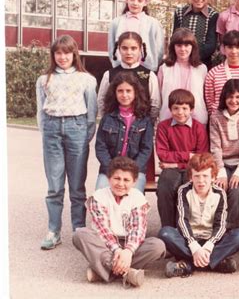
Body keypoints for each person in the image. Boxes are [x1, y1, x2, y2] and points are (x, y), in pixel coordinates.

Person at [36, 35, 97, 250]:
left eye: (67, 53)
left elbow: (91, 112)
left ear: (74, 54)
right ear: (53, 55)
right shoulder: (45, 79)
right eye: (58, 53)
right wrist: (46, 133)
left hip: (77, 128)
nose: (63, 57)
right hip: (52, 129)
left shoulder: (86, 79)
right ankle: (54, 231)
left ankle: (79, 229)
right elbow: (40, 110)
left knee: (77, 186)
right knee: (54, 186)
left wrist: (85, 135)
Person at [73, 157, 166, 286]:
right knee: (80, 234)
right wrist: (117, 251)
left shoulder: (137, 197)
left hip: (130, 244)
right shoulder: (98, 197)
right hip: (105, 245)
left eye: (126, 180)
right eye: (117, 178)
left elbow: (138, 230)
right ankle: (125, 272)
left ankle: (104, 271)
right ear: (109, 178)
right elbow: (103, 230)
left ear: (134, 182)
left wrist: (128, 252)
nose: (121, 184)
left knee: (157, 245)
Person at [158, 153, 239, 277]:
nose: (201, 181)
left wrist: (208, 247)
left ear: (213, 177)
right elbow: (182, 221)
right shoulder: (184, 190)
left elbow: (220, 224)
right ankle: (215, 262)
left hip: (211, 240)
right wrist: (194, 247)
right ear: (190, 178)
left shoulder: (220, 193)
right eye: (197, 176)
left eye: (205, 176)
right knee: (165, 233)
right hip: (188, 240)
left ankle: (188, 264)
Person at [156, 89, 209, 228]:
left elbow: (200, 157)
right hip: (171, 169)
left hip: (192, 169)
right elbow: (162, 154)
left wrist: (174, 164)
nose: (180, 112)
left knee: (189, 187)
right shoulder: (163, 127)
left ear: (191, 109)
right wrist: (187, 155)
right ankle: (168, 228)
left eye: (185, 108)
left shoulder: (198, 128)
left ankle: (188, 227)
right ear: (170, 109)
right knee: (165, 186)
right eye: (176, 108)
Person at [209, 79, 239, 230]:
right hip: (221, 163)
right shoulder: (216, 116)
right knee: (218, 187)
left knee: (237, 187)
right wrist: (221, 172)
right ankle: (216, 226)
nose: (234, 101)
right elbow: (215, 147)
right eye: (230, 97)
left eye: (238, 97)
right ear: (224, 98)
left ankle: (233, 228)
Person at [95, 72, 153, 193]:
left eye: (128, 91)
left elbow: (146, 149)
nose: (124, 95)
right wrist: (112, 168)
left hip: (135, 170)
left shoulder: (144, 119)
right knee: (101, 193)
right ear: (114, 93)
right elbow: (101, 147)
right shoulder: (107, 117)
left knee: (133, 196)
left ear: (135, 92)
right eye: (120, 91)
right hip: (109, 169)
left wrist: (132, 170)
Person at [98, 31, 161, 121]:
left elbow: (155, 103)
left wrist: (150, 124)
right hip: (114, 127)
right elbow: (101, 101)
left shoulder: (149, 75)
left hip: (141, 127)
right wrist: (106, 120)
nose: (129, 52)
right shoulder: (109, 74)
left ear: (140, 49)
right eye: (124, 48)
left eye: (133, 48)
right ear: (118, 49)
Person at [108, 0, 164, 72]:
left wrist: (152, 65)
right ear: (127, 0)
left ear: (145, 2)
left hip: (146, 69)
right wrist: (116, 64)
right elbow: (111, 47)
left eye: (139, 0)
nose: (135, 3)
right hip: (121, 69)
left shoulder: (153, 24)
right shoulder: (116, 22)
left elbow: (159, 50)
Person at [158, 28, 208, 124]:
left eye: (186, 45)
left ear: (193, 47)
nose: (183, 49)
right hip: (169, 119)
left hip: (196, 120)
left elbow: (206, 96)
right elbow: (159, 96)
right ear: (173, 47)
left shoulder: (202, 69)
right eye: (179, 45)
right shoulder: (164, 68)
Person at [172, 0, 218, 68]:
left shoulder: (213, 15)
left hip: (202, 63)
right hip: (180, 61)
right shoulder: (180, 12)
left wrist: (193, 57)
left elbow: (211, 45)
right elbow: (174, 38)